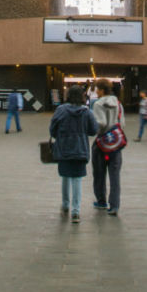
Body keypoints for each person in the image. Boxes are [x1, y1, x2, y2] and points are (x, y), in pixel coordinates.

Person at [49, 85, 97, 223]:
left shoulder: (60, 110)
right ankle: (76, 211)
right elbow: (93, 130)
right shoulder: (86, 112)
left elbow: (52, 130)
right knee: (77, 179)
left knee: (65, 177)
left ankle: (65, 205)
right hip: (80, 149)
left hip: (63, 148)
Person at [90, 79, 124, 215]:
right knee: (115, 175)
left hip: (101, 143)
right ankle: (114, 205)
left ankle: (101, 201)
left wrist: (94, 129)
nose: (96, 91)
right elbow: (122, 122)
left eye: (97, 89)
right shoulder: (118, 104)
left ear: (102, 90)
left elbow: (101, 122)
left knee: (99, 173)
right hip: (116, 143)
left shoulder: (98, 104)